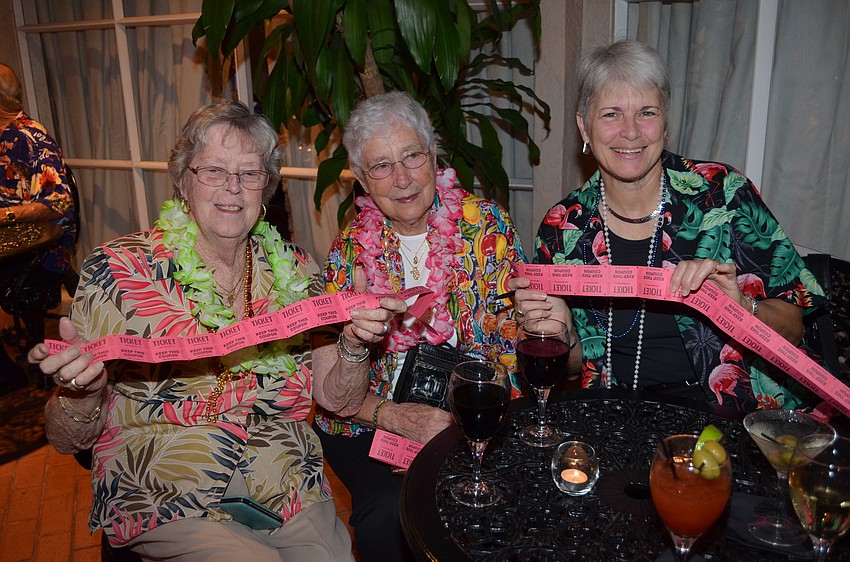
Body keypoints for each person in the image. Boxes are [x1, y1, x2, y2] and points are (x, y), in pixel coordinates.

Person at [27, 101, 354, 562]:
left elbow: (338, 399)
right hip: (162, 483)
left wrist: (355, 344)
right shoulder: (118, 271)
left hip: (282, 476)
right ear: (183, 180)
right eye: (214, 170)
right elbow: (67, 440)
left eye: (249, 173)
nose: (233, 188)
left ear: (266, 188)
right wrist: (83, 392)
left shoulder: (297, 270)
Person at [510, 40, 825, 412]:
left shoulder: (723, 193)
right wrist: (561, 334)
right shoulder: (563, 227)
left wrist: (741, 308)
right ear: (584, 126)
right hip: (615, 413)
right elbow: (574, 371)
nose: (631, 132)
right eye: (611, 114)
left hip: (731, 413)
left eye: (647, 112)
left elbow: (794, 328)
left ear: (665, 123)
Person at [311, 91, 526, 561]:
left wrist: (463, 426)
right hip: (372, 419)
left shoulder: (488, 228)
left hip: (472, 410)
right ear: (362, 180)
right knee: (389, 511)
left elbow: (511, 350)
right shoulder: (349, 253)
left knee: (496, 502)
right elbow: (335, 397)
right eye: (382, 166)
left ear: (433, 156)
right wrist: (393, 416)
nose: (403, 179)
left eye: (412, 156)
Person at [0, 63, 76, 391]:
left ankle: (8, 376)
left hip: (41, 249)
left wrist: (6, 215)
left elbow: (59, 201)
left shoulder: (30, 137)